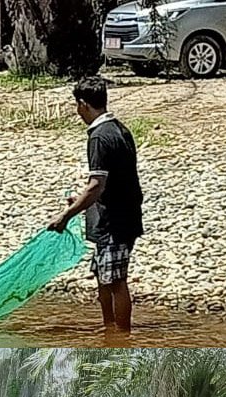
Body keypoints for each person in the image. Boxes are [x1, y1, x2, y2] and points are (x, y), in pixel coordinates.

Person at [48, 76, 144, 334]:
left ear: (83, 104)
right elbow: (113, 181)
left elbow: (96, 185)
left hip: (115, 222)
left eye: (77, 106)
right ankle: (109, 329)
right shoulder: (120, 129)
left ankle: (122, 335)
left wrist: (66, 215)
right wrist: (82, 203)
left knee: (116, 281)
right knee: (104, 275)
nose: (78, 112)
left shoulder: (99, 138)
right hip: (121, 216)